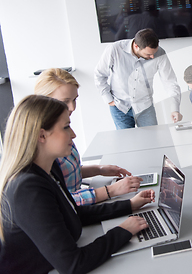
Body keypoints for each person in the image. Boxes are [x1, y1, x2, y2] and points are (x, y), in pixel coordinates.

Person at [0, 95, 155, 274]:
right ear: (41, 135)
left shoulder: (49, 169)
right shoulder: (27, 188)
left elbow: (72, 213)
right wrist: (122, 231)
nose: (73, 134)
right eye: (66, 127)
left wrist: (129, 205)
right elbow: (73, 264)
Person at [35, 68, 142, 206]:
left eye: (74, 100)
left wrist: (100, 170)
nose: (72, 107)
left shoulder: (61, 130)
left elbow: (69, 174)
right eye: (65, 101)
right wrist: (111, 190)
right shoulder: (43, 145)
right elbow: (60, 202)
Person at [94, 28, 182, 129]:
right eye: (148, 54)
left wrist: (175, 108)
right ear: (136, 46)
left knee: (152, 141)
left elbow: (170, 82)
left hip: (145, 106)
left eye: (154, 53)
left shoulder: (160, 53)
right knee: (127, 143)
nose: (153, 57)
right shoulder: (114, 49)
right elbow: (99, 74)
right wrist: (108, 99)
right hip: (120, 107)